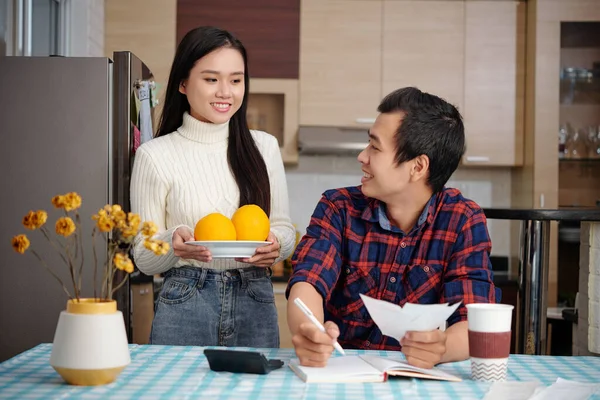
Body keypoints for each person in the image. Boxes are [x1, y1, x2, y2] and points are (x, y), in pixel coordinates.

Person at [286, 87, 501, 368]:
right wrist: (310, 331)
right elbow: (308, 281)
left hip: (417, 381)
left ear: (417, 167)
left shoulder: (462, 220)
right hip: (341, 376)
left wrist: (442, 348)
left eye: (375, 147)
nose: (362, 156)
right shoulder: (338, 206)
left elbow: (475, 321)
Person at [130, 26, 296, 348]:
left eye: (236, 80)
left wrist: (277, 244)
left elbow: (283, 229)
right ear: (182, 83)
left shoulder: (264, 147)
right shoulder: (154, 155)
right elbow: (142, 255)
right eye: (211, 79)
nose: (226, 92)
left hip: (255, 296)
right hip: (186, 298)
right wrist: (172, 241)